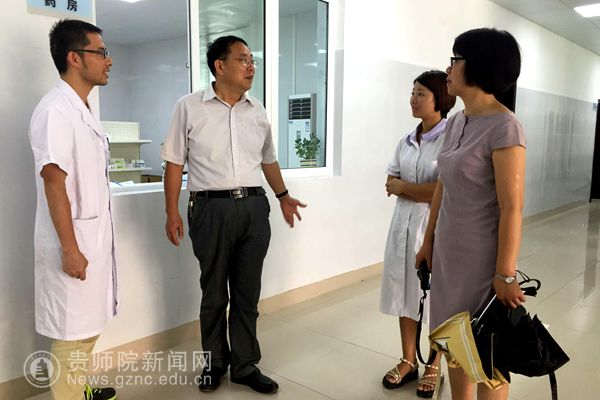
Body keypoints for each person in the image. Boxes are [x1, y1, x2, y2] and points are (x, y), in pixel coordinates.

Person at [161, 35, 306, 394]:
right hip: (210, 208)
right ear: (219, 66)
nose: (251, 66)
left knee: (247, 292)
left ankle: (244, 365)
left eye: (252, 60)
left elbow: (268, 159)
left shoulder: (256, 110)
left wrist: (283, 196)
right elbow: (174, 162)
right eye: (243, 59)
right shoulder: (189, 107)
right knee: (214, 293)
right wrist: (171, 211)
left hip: (254, 208)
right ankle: (215, 363)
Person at [415, 28, 526, 400]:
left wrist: (505, 273)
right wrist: (428, 242)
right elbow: (443, 186)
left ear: (478, 66)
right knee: (455, 345)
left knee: (488, 358)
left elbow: (512, 207)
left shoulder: (505, 126)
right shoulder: (457, 121)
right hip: (449, 258)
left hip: (482, 264)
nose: (448, 68)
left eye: (455, 59)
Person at [29, 19, 117, 400]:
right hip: (72, 243)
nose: (108, 60)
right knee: (71, 338)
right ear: (74, 58)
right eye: (101, 52)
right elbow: (53, 180)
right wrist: (69, 248)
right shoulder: (55, 111)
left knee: (86, 330)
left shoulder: (81, 108)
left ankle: (80, 390)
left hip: (89, 241)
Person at [381, 70, 456, 398]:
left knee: (435, 298)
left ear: (440, 98)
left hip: (434, 228)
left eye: (421, 93)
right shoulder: (406, 140)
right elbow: (390, 183)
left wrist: (405, 188)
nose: (413, 99)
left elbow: (444, 189)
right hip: (403, 227)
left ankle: (434, 364)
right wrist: (410, 189)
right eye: (413, 92)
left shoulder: (451, 138)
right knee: (405, 293)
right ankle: (408, 360)